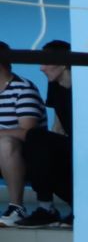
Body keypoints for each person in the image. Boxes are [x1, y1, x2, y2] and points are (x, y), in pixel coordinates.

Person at [15, 38, 73, 228]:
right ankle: (46, 208)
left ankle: (77, 208)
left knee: (34, 136)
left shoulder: (83, 86)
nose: (41, 68)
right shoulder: (55, 84)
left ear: (64, 64)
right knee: (36, 141)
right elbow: (58, 125)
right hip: (70, 148)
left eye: (46, 62)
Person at [0, 41, 46, 227]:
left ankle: (17, 208)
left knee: (6, 143)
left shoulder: (23, 88)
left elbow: (28, 132)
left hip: (28, 154)